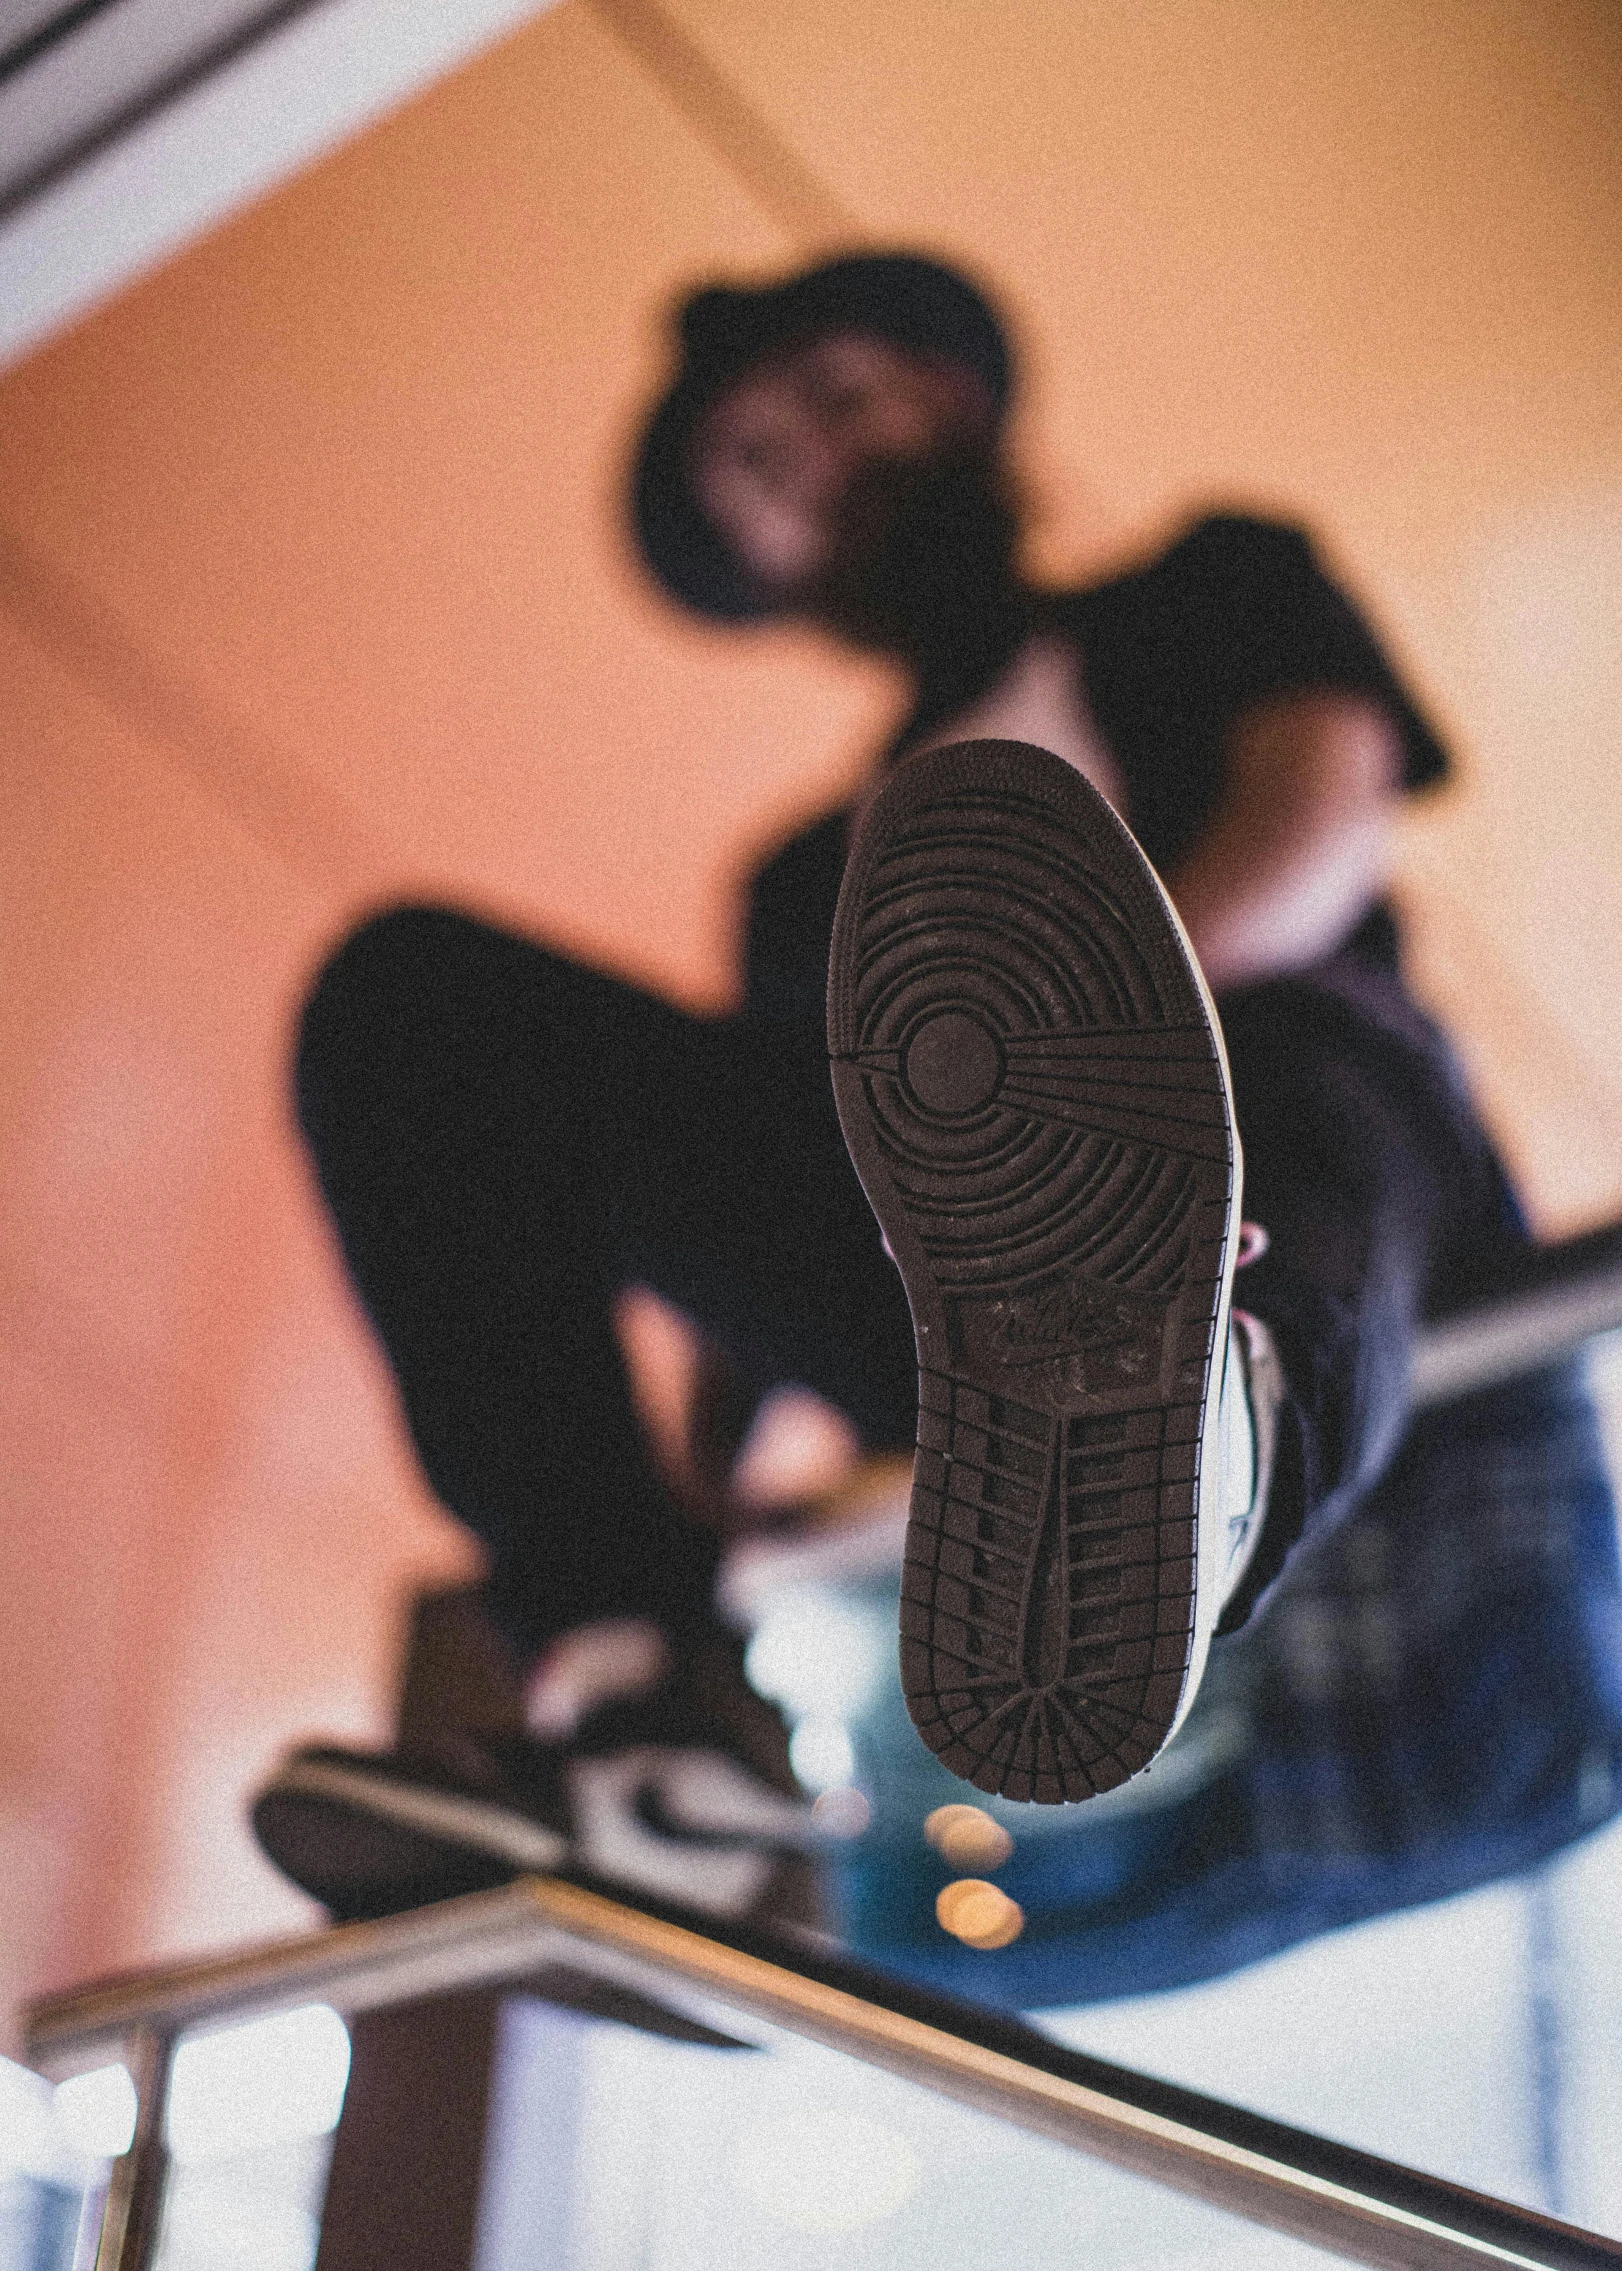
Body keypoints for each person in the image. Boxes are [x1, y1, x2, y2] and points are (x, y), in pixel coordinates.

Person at [254, 256, 1622, 1995]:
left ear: (950, 394)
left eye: (836, 399)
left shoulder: (1207, 584)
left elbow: (1319, 807)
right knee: (412, 1004)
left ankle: (1203, 1429)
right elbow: (753, 1209)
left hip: (1287, 1085)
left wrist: (1075, 1044)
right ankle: (637, 1711)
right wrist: (692, 1487)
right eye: (760, 466)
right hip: (939, 1264)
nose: (817, 459)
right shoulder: (800, 884)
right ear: (761, 570)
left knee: (1281, 1106)